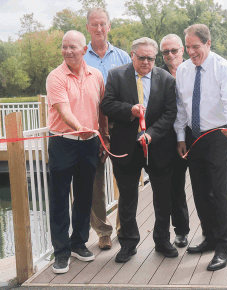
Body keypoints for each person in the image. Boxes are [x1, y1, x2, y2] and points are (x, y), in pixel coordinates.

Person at [100, 37, 178, 263]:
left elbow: (170, 113)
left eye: (151, 58)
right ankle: (128, 244)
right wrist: (129, 110)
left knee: (163, 197)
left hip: (158, 145)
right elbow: (106, 105)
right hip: (126, 146)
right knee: (127, 197)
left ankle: (163, 241)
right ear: (132, 55)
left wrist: (151, 133)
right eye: (142, 57)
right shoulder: (116, 75)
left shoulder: (165, 79)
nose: (146, 62)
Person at [174, 24, 227, 271]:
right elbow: (182, 107)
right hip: (193, 136)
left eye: (196, 47)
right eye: (188, 47)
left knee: (219, 190)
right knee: (200, 190)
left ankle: (224, 248)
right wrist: (181, 137)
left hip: (218, 134)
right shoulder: (182, 70)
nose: (191, 52)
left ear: (208, 44)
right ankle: (210, 237)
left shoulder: (222, 67)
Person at [46, 30, 107, 274]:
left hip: (90, 142)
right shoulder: (56, 76)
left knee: (84, 195)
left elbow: (101, 109)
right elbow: (62, 109)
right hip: (63, 141)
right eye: (64, 47)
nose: (68, 51)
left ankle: (78, 243)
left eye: (73, 47)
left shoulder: (97, 75)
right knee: (59, 198)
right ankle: (60, 253)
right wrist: (78, 127)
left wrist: (104, 136)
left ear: (84, 50)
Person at [84, 6, 132, 251]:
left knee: (125, 177)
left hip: (121, 125)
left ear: (109, 26)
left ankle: (123, 227)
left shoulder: (123, 57)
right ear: (88, 28)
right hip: (91, 127)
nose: (99, 28)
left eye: (103, 24)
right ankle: (102, 231)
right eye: (94, 24)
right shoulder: (80, 58)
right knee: (94, 183)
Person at [159, 34, 190, 248]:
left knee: (202, 183)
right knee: (175, 184)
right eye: (165, 52)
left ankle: (212, 231)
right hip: (167, 136)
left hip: (192, 133)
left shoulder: (193, 71)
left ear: (182, 50)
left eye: (174, 50)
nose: (170, 55)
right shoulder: (158, 76)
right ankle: (181, 230)